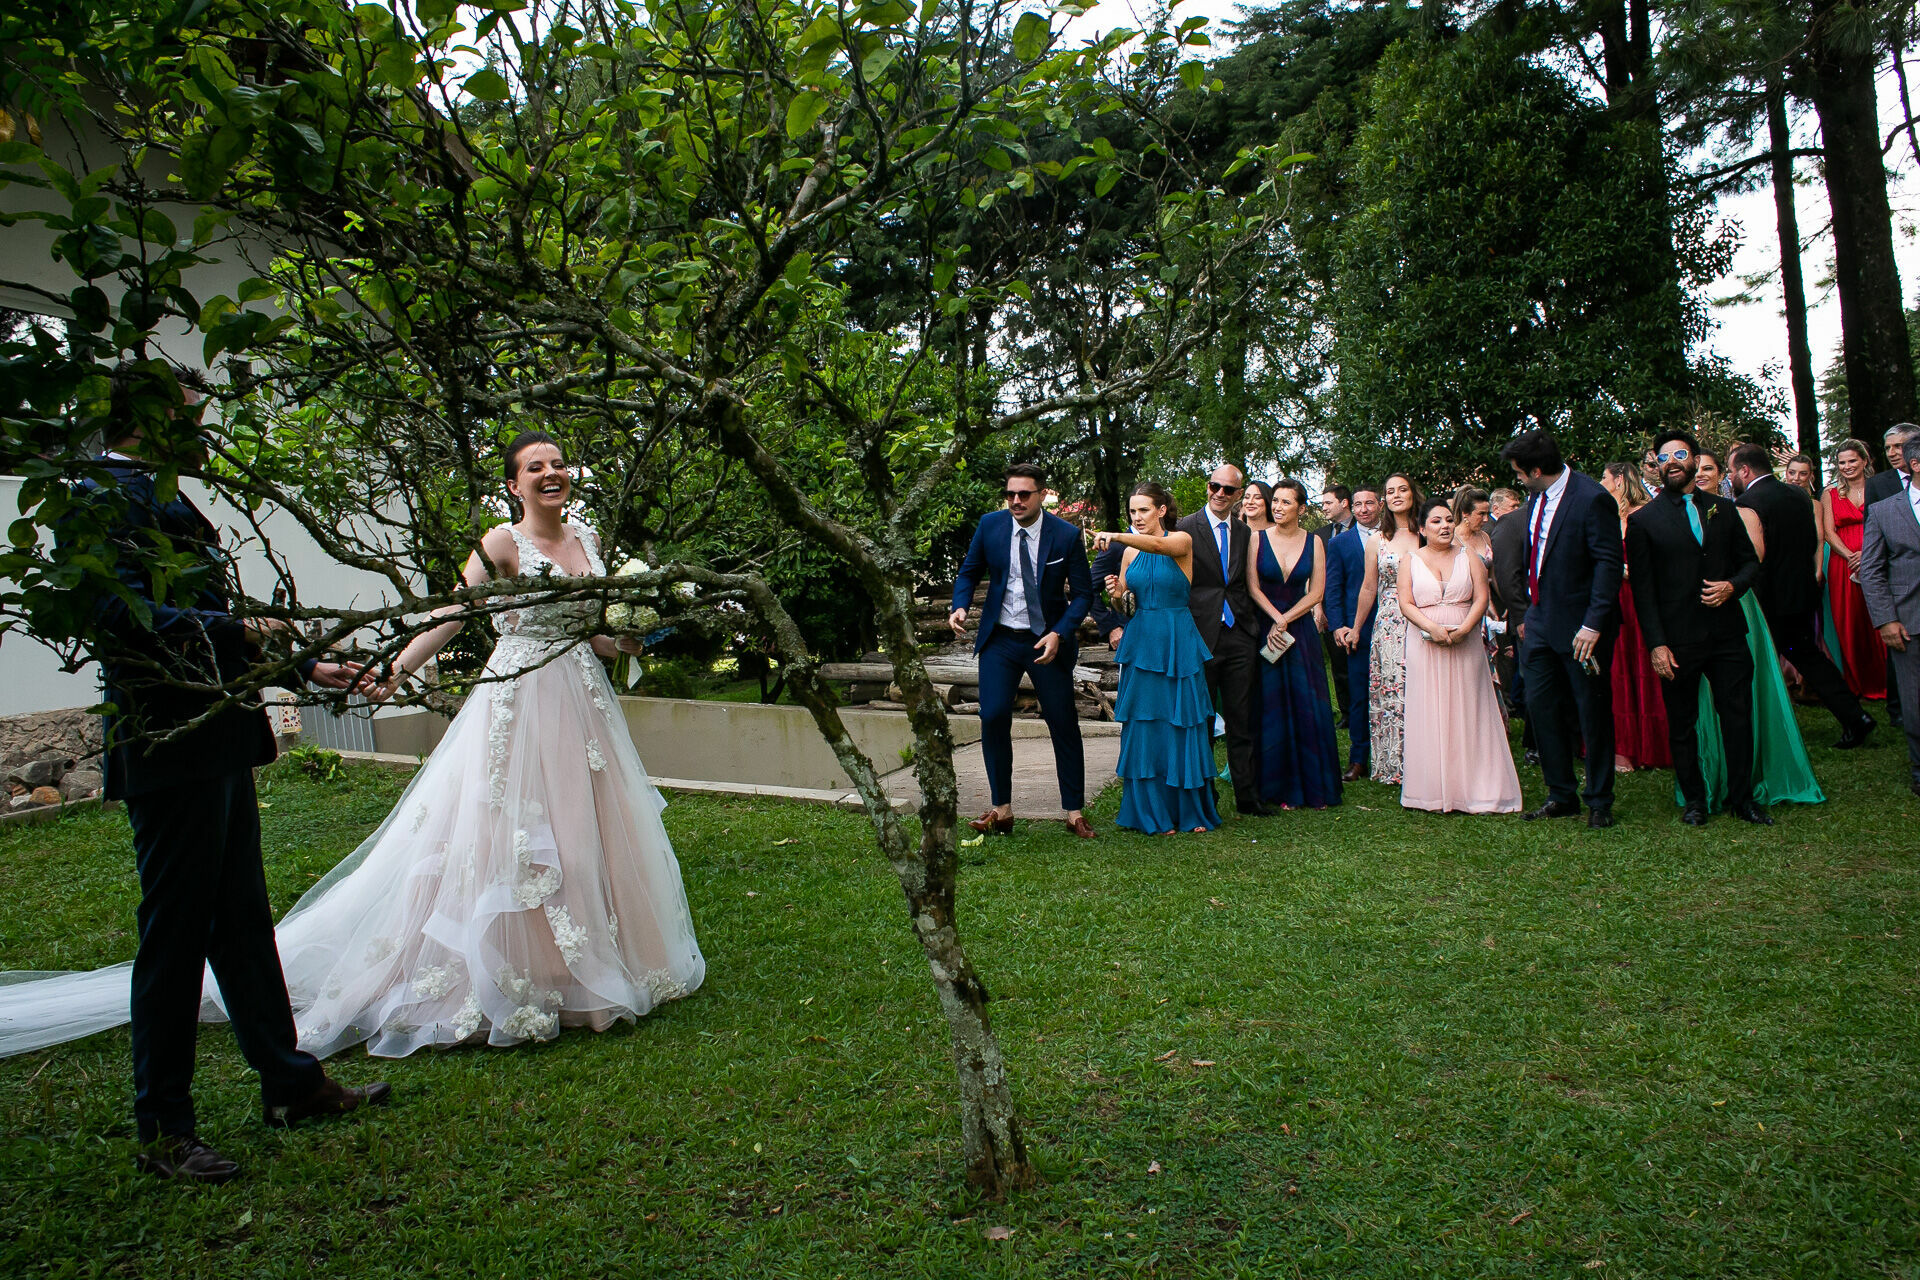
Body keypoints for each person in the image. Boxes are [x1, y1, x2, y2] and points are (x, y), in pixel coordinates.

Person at [13, 364, 389, 1184]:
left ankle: (289, 1085)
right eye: (192, 411)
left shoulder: (167, 495)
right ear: (147, 415)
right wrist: (240, 627)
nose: (204, 424)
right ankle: (164, 1128)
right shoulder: (95, 499)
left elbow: (221, 626)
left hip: (216, 732)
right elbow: (122, 620)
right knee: (176, 937)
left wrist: (300, 665)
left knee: (242, 922)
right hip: (165, 741)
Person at [1625, 429, 1769, 826]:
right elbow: (1643, 591)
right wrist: (1657, 644)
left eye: (1680, 454)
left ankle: (1743, 799)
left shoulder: (1723, 509)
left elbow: (1750, 563)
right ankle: (1694, 801)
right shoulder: (1643, 521)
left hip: (1726, 634)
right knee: (1682, 724)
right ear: (1656, 467)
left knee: (1737, 718)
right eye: (1663, 457)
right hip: (1677, 640)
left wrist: (1733, 586)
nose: (1671, 462)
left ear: (1693, 460)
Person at [950, 463, 1098, 837]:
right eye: (1010, 494)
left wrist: (1059, 633)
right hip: (1000, 638)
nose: (1015, 501)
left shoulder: (1065, 535)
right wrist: (960, 605)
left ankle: (1074, 812)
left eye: (1024, 495)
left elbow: (1082, 595)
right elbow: (969, 571)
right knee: (993, 714)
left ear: (1042, 495)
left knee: (1062, 721)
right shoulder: (991, 526)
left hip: (1045, 640)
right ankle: (1001, 809)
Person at [1503, 429, 1622, 829]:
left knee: (1591, 711)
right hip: (1538, 625)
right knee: (1542, 709)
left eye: (1521, 473)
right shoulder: (1537, 498)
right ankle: (1561, 794)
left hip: (1582, 630)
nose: (1518, 480)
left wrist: (1593, 624)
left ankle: (1599, 800)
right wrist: (1525, 616)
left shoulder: (1592, 499)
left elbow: (1608, 564)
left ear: (1537, 470)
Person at [1728, 443, 1875, 748]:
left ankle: (1762, 733)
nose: (1731, 477)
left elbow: (1755, 555)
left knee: (1756, 664)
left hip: (1768, 600)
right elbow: (1811, 540)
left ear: (1744, 470)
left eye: (1731, 471)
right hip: (1802, 592)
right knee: (1808, 656)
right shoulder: (1798, 496)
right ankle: (1855, 716)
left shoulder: (1748, 502)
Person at [1095, 483, 1221, 833]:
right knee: (1146, 722)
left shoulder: (1181, 541)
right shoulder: (1129, 554)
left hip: (1176, 636)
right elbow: (1124, 602)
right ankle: (1150, 810)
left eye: (1144, 510)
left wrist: (1118, 535)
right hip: (1143, 637)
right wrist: (1117, 595)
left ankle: (1190, 811)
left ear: (1162, 510)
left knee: (1182, 721)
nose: (1137, 518)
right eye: (1132, 512)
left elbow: (1156, 545)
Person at [1397, 499, 1523, 814]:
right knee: (1430, 708)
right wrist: (1433, 628)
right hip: (1425, 642)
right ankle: (1433, 790)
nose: (1444, 526)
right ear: (1423, 528)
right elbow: (1406, 603)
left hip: (1465, 640)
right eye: (1436, 521)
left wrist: (1467, 628)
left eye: (1448, 520)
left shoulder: (1470, 557)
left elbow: (1481, 597)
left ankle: (1477, 787)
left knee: (1470, 706)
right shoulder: (1409, 560)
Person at [1177, 464, 1268, 815]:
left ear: (1238, 495)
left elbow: (1244, 582)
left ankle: (1248, 797)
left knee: (1241, 718)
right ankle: (1205, 797)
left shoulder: (1245, 533)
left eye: (1228, 489)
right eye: (1215, 486)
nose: (1219, 493)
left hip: (1240, 635)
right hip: (1201, 635)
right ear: (1207, 486)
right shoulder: (1185, 528)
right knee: (1201, 721)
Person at [1247, 480, 1343, 809]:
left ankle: (1314, 786)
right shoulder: (1257, 540)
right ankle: (1275, 788)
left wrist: (1287, 619)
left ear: (1301, 508)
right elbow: (1253, 586)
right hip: (1267, 627)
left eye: (1286, 502)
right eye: (1275, 501)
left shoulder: (1315, 541)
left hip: (1298, 630)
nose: (1278, 507)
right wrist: (1276, 618)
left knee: (1307, 702)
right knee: (1270, 704)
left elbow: (1316, 592)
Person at [1856, 423, 1920, 797]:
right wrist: (1885, 619)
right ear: (1915, 464)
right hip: (1908, 619)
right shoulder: (1883, 511)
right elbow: (1874, 570)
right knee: (1913, 702)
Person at [1352, 473, 1425, 785]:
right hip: (1390, 624)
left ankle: (1427, 761)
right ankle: (1394, 764)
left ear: (1413, 494)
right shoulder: (1377, 540)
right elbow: (1369, 587)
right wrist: (1356, 627)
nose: (1397, 495)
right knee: (1392, 691)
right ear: (1385, 500)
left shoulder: (1427, 532)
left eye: (1403, 489)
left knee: (1423, 689)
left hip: (1425, 617)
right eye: (1390, 491)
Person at [1600, 462, 1669, 771]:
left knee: (1646, 664)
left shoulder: (1647, 511)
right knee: (1618, 668)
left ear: (1618, 480)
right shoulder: (1606, 513)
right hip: (1614, 599)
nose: (1601, 482)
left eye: (1604, 477)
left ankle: (1655, 745)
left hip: (1641, 597)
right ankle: (1623, 748)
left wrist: (1636, 571)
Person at [1822, 439, 1889, 700]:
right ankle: (1857, 680)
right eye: (1842, 462)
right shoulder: (1830, 493)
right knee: (1850, 621)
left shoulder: (1880, 488)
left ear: (1864, 461)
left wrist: (1869, 556)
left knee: (1879, 616)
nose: (1847, 466)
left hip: (1878, 559)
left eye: (1852, 461)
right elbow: (1828, 532)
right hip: (1843, 563)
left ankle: (1887, 680)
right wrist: (1851, 556)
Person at [1325, 483, 1379, 783]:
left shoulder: (1395, 539)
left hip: (1396, 624)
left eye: (1369, 503)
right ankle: (1359, 758)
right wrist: (1338, 625)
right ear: (1351, 508)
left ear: (1379, 505)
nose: (1363, 509)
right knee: (1359, 694)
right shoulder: (1340, 544)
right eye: (1358, 504)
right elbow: (1333, 588)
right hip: (1356, 628)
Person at [1864, 425, 1914, 727]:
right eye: (1889, 448)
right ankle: (1898, 708)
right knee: (1902, 650)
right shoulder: (1880, 483)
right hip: (1899, 582)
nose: (1893, 453)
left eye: (1900, 446)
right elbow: (1874, 530)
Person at [1487, 485, 1531, 732]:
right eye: (1512, 507)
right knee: (1505, 659)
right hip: (1499, 604)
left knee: (1510, 659)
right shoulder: (1492, 530)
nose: (1516, 511)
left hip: (1508, 605)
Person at [1315, 484, 1356, 724]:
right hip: (1330, 606)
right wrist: (1318, 607)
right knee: (1338, 663)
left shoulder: (1363, 529)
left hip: (1356, 603)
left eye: (1328, 503)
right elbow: (1316, 573)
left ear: (1344, 503)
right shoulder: (1320, 534)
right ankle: (1346, 713)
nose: (1324, 508)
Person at [1452, 487, 1494, 566]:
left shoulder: (1484, 536)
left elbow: (1492, 572)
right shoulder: (1451, 539)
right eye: (1481, 514)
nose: (1486, 519)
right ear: (1465, 513)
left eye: (1487, 514)